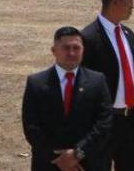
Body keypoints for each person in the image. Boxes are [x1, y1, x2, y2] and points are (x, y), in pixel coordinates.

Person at [82, 0, 134, 170]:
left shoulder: (128, 35)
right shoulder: (88, 38)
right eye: (130, 0)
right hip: (102, 125)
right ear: (114, 2)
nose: (133, 6)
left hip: (131, 122)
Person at [22, 26, 113, 171]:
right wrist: (60, 159)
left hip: (89, 163)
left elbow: (104, 123)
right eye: (66, 48)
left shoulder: (98, 82)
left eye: (76, 48)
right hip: (49, 164)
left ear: (83, 50)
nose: (71, 53)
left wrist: (77, 154)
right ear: (54, 51)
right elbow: (31, 127)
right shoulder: (36, 83)